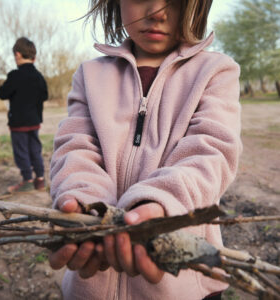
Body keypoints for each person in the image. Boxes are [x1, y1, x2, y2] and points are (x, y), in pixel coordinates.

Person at [49, 1, 242, 299]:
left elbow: (211, 151)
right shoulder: (90, 75)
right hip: (93, 284)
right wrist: (87, 207)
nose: (157, 12)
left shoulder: (216, 72)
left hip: (181, 283)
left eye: (176, 1)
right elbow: (75, 147)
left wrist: (161, 204)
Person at [0, 37, 48, 193]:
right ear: (34, 57)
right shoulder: (39, 76)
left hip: (18, 123)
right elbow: (45, 95)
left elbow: (2, 93)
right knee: (35, 149)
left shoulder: (14, 75)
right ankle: (40, 179)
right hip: (34, 121)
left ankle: (27, 180)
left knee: (21, 151)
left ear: (17, 55)